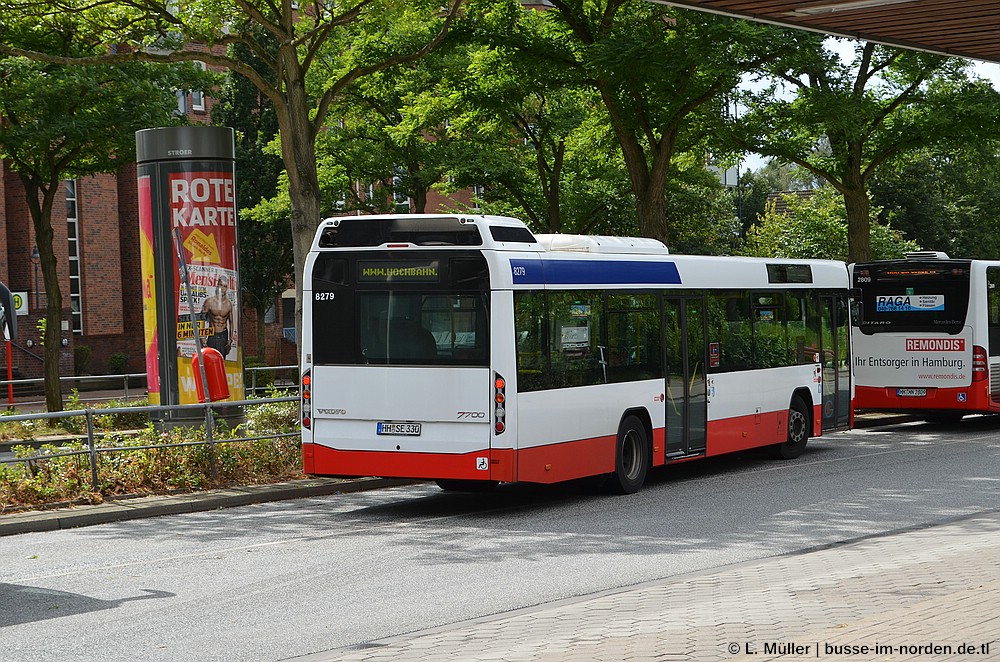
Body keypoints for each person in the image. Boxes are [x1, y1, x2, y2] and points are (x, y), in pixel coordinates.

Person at [202, 281, 235, 357]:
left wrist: (230, 339)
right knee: (210, 358)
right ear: (217, 286)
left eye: (225, 286)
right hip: (212, 333)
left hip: (223, 334)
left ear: (227, 288)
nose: (222, 288)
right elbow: (202, 319)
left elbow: (231, 322)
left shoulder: (228, 304)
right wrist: (202, 337)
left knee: (221, 359)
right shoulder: (209, 302)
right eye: (221, 285)